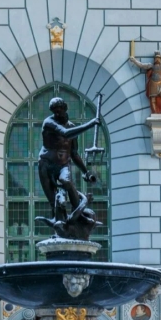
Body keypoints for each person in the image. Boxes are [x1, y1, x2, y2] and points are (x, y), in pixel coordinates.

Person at [37, 97, 101, 240]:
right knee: (54, 201)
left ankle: (80, 215)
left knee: (66, 182)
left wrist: (86, 171)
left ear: (65, 108)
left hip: (63, 164)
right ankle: (60, 228)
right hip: (46, 164)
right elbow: (65, 133)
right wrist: (91, 124)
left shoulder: (72, 126)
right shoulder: (49, 123)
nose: (57, 112)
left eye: (59, 108)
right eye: (54, 110)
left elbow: (74, 153)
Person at [130, 50, 161, 115]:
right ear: (154, 59)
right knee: (153, 98)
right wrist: (134, 60)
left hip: (160, 84)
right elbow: (141, 65)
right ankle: (154, 112)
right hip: (153, 84)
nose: (157, 59)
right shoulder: (150, 66)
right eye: (156, 58)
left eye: (158, 58)